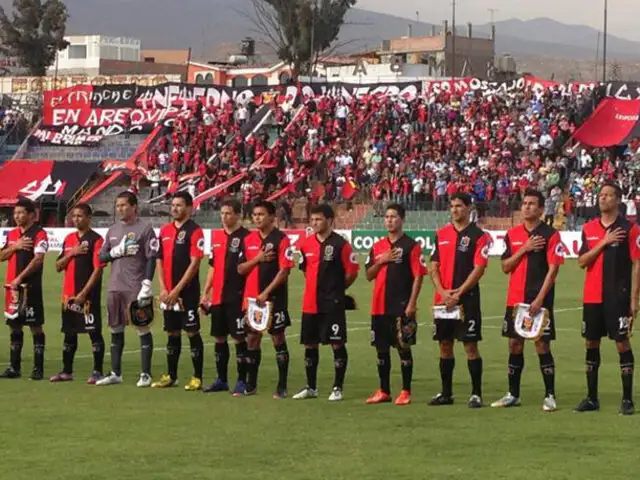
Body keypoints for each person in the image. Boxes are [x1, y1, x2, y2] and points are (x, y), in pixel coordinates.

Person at [491, 189, 564, 411]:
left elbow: (553, 270)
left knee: (541, 345)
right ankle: (513, 394)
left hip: (539, 300)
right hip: (515, 300)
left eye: (532, 204)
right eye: (524, 203)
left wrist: (540, 299)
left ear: (541, 209)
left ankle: (550, 395)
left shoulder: (551, 235)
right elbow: (505, 267)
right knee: (514, 344)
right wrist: (524, 248)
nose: (527, 207)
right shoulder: (512, 235)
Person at [574, 182, 640, 415]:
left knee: (622, 342)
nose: (603, 199)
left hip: (617, 296)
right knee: (591, 342)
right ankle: (592, 397)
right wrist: (603, 243)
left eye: (609, 195)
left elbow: (637, 263)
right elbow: (582, 261)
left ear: (618, 200)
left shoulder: (629, 228)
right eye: (601, 195)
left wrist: (634, 299)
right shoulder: (589, 228)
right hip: (592, 296)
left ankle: (627, 399)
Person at [429, 192, 491, 408]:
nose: (455, 210)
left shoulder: (478, 235)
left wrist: (459, 293)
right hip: (443, 300)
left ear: (468, 208)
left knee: (470, 346)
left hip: (468, 300)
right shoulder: (441, 233)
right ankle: (446, 393)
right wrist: (443, 292)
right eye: (452, 206)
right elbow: (433, 266)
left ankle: (476, 394)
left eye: (459, 206)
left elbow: (479, 268)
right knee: (445, 346)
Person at [293, 204, 360, 402]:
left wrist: (337, 290)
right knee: (310, 344)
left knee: (336, 343)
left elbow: (352, 272)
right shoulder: (305, 244)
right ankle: (311, 387)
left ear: (330, 220)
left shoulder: (341, 244)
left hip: (332, 303)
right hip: (310, 303)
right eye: (312, 220)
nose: (314, 223)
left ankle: (337, 388)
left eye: (318, 219)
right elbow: (305, 270)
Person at [364, 204, 427, 406]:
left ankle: (406, 391)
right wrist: (381, 260)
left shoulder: (411, 246)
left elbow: (418, 276)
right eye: (387, 217)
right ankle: (384, 390)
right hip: (379, 306)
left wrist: (412, 303)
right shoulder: (377, 247)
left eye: (393, 216)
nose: (389, 220)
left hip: (401, 306)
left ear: (402, 219)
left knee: (403, 348)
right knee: (381, 350)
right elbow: (368, 275)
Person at [96, 191, 159, 387]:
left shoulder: (145, 228)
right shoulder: (113, 230)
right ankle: (116, 372)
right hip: (115, 286)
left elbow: (151, 257)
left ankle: (145, 374)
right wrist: (116, 252)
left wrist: (147, 283)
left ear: (134, 206)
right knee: (115, 328)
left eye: (124, 205)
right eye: (118, 206)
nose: (120, 209)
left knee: (142, 326)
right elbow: (101, 257)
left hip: (135, 286)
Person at [237, 201, 294, 398]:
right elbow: (241, 269)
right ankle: (251, 385)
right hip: (252, 300)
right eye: (255, 214)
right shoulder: (249, 239)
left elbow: (284, 270)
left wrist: (266, 293)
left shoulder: (281, 239)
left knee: (277, 338)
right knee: (252, 339)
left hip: (274, 299)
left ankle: (282, 386)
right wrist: (258, 259)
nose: (257, 218)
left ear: (272, 216)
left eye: (261, 214)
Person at [152, 192, 205, 391]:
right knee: (172, 333)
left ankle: (197, 377)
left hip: (187, 292)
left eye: (179, 205)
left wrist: (177, 290)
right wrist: (164, 288)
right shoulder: (165, 230)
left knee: (191, 331)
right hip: (168, 293)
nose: (175, 208)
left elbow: (195, 263)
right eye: (173, 205)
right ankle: (171, 375)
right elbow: (159, 259)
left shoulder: (195, 231)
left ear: (190, 208)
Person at [51, 203, 106, 384]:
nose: (76, 219)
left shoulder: (96, 240)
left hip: (87, 296)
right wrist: (71, 253)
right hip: (68, 296)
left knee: (93, 332)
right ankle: (67, 371)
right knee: (69, 333)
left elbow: (98, 270)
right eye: (74, 216)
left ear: (89, 218)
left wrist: (83, 293)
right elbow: (58, 266)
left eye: (80, 216)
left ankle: (98, 371)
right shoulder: (68, 239)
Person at [201, 198, 250, 395]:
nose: (224, 217)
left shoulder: (247, 238)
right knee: (219, 338)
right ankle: (221, 379)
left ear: (238, 214)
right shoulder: (218, 237)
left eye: (228, 213)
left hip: (237, 296)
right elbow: (213, 267)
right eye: (222, 213)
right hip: (218, 297)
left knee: (239, 338)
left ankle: (241, 380)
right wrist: (205, 292)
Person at [0, 197, 48, 380]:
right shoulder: (12, 235)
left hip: (30, 287)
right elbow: (1, 256)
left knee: (35, 326)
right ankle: (14, 367)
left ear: (31, 215)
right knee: (14, 325)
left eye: (21, 213)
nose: (17, 216)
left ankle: (38, 369)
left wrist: (19, 277)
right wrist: (15, 247)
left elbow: (38, 259)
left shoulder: (39, 233)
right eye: (15, 213)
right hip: (12, 289)